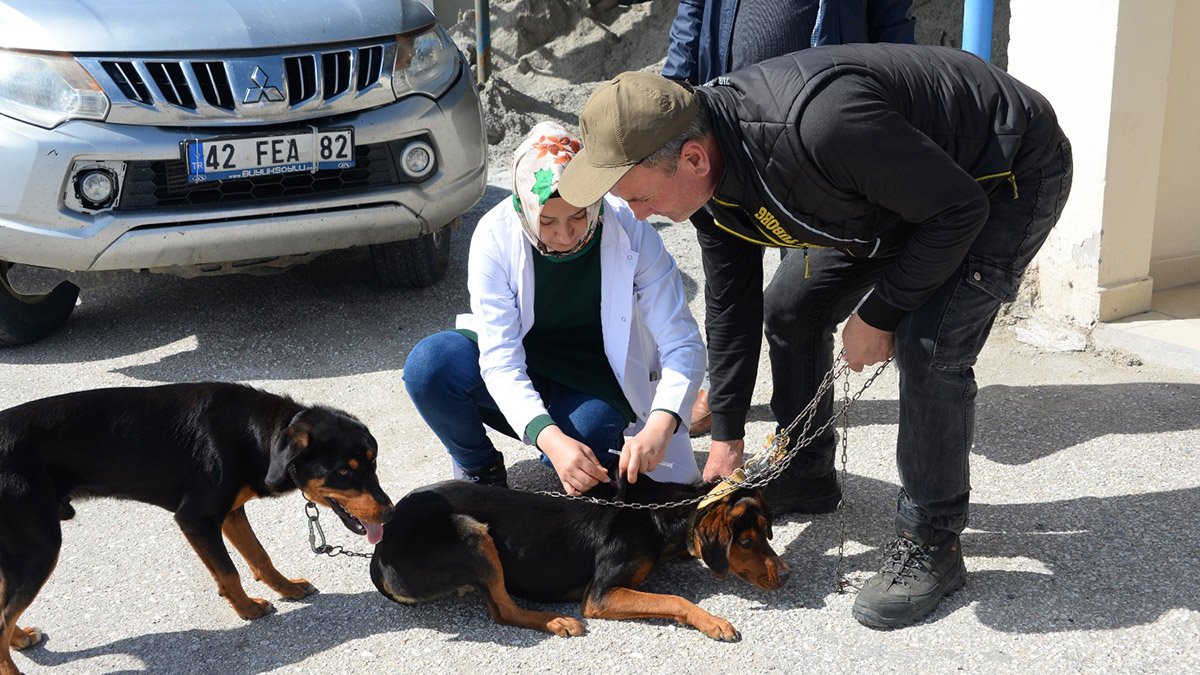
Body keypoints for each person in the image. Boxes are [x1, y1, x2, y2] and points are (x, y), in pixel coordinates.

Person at [558, 44, 1073, 628]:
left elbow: (956, 211)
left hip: (1000, 177)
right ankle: (805, 471)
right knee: (791, 306)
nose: (641, 215)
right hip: (896, 195)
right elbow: (732, 301)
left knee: (928, 344)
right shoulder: (704, 178)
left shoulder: (819, 127)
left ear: (695, 158)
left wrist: (880, 314)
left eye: (639, 197)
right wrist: (726, 435)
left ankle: (933, 540)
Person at [403, 121, 705, 496]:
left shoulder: (630, 227)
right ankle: (481, 470)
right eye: (547, 221)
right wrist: (550, 439)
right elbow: (501, 361)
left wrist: (662, 422)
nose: (565, 235)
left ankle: (578, 458)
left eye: (579, 216)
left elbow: (682, 341)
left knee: (593, 434)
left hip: (594, 376)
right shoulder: (494, 236)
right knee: (430, 366)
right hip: (521, 360)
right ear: (523, 208)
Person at [663, 0, 916, 444]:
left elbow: (892, 24)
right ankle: (726, 404)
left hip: (811, 140)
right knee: (727, 285)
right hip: (722, 125)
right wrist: (672, 96)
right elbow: (693, 12)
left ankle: (800, 441)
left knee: (796, 302)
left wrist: (891, 107)